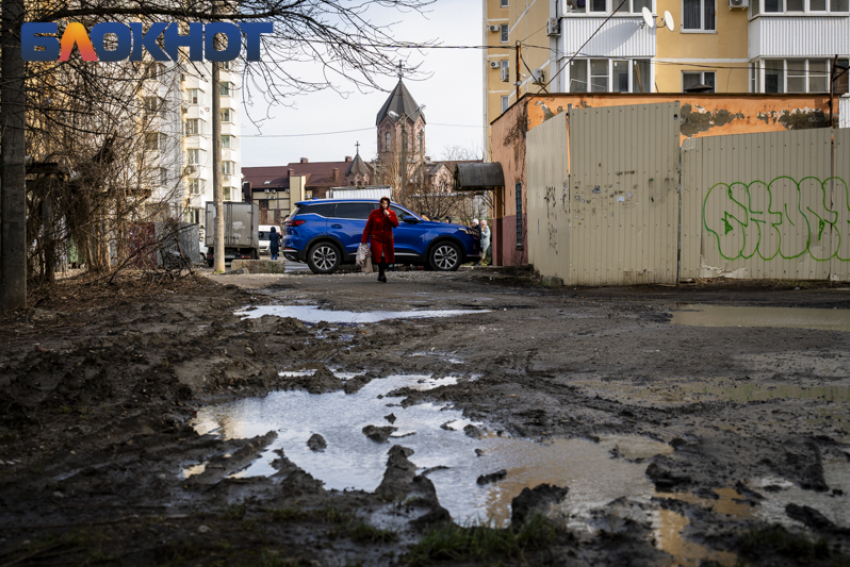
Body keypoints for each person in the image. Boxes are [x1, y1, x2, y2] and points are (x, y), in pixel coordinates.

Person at [362, 197, 399, 283]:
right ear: (380, 204)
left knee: (386, 257)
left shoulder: (392, 213)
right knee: (380, 256)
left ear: (388, 204)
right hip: (376, 238)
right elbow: (368, 227)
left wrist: (388, 215)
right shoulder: (374, 213)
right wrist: (364, 239)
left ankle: (380, 274)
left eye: (386, 203)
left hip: (387, 239)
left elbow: (395, 224)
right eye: (383, 203)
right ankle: (382, 274)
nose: (384, 205)